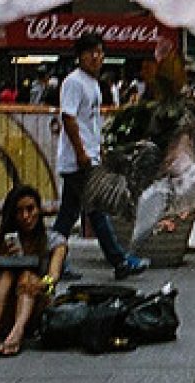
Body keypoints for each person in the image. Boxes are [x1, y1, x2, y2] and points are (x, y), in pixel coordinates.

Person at [50, 30, 149, 280]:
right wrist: (82, 153)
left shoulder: (92, 83)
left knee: (68, 215)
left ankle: (53, 260)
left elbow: (88, 122)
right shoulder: (74, 82)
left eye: (100, 52)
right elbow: (69, 118)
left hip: (86, 157)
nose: (97, 57)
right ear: (80, 56)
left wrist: (97, 149)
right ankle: (119, 260)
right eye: (91, 52)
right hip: (77, 161)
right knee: (97, 210)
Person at [0, 185, 67, 357]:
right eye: (19, 211)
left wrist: (42, 284)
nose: (26, 216)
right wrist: (7, 256)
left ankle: (16, 335)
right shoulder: (2, 240)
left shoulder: (55, 242)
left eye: (30, 209)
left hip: (36, 306)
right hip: (6, 311)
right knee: (6, 275)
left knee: (27, 276)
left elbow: (54, 276)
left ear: (39, 210)